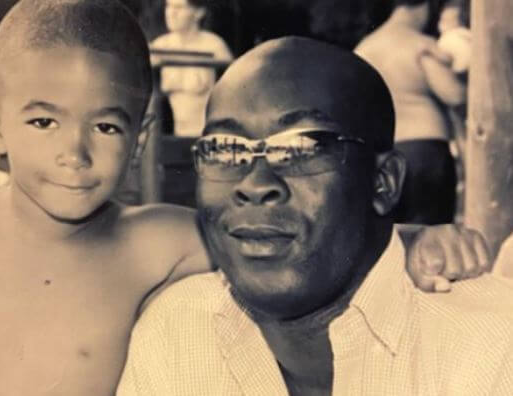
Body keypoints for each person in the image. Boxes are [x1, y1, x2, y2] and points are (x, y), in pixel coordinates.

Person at [0, 0, 493, 395]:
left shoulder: (157, 240)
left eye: (106, 125)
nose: (74, 151)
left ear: (141, 138)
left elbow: (308, 237)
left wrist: (418, 236)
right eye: (42, 120)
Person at [117, 37, 513, 396]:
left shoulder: (492, 347)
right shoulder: (177, 334)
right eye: (225, 148)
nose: (254, 184)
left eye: (302, 147)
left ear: (382, 181)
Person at [355, 0, 465, 224]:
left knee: (394, 237)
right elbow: (454, 95)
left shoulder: (363, 50)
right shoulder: (421, 46)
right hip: (426, 151)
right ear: (426, 5)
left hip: (382, 155)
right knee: (434, 237)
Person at [151, 0, 233, 137]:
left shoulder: (214, 46)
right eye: (168, 5)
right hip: (171, 141)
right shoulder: (160, 46)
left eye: (179, 7)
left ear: (198, 12)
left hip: (210, 139)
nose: (171, 13)